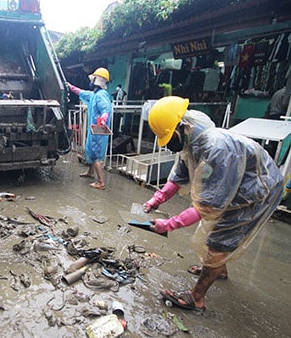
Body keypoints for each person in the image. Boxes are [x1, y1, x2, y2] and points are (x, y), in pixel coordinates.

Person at [142, 96, 283, 311]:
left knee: (222, 236)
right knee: (218, 229)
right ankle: (220, 269)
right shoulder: (191, 144)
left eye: (170, 138)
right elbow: (179, 176)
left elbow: (208, 207)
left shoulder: (217, 149)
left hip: (257, 189)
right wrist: (157, 199)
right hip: (239, 184)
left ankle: (197, 296)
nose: (170, 146)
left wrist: (169, 224)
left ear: (185, 126)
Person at [66, 67, 112, 190]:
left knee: (95, 153)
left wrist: (103, 119)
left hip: (98, 128)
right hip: (94, 128)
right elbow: (81, 92)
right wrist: (70, 86)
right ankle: (90, 172)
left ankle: (101, 182)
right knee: (90, 150)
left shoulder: (101, 95)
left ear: (96, 80)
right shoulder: (94, 94)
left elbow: (106, 109)